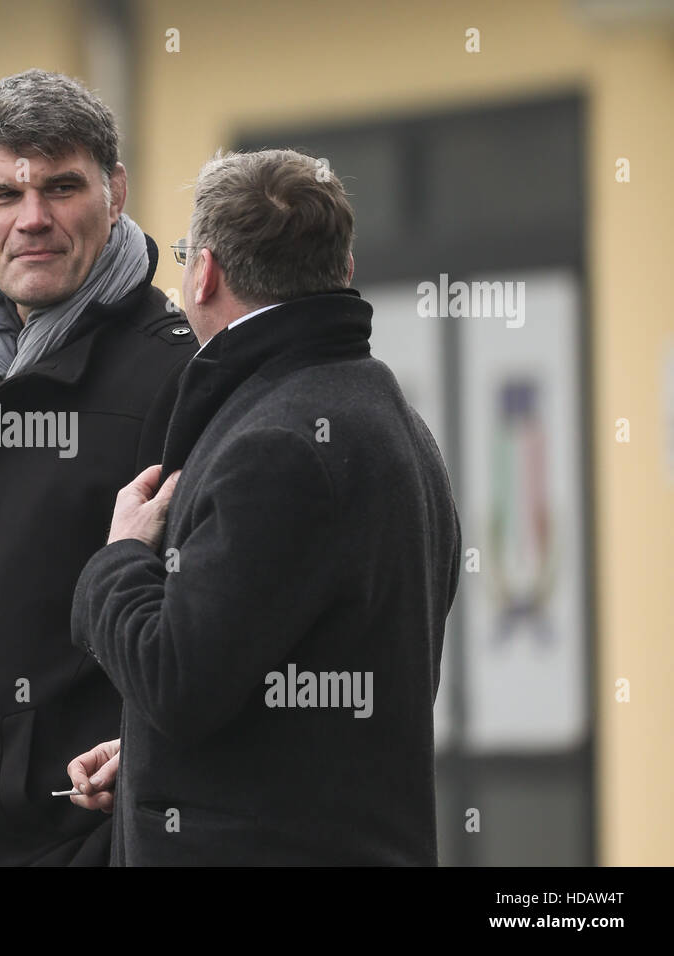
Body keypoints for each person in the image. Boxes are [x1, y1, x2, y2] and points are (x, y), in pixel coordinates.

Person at [66, 148, 462, 865]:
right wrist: (154, 761)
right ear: (341, 271)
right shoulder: (395, 423)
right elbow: (320, 681)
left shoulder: (274, 444)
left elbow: (178, 681)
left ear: (204, 272)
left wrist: (117, 558)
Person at [0, 69, 197, 866]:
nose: (32, 220)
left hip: (85, 837)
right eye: (3, 195)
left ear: (117, 191)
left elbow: (218, 627)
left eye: (62, 188)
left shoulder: (179, 376)